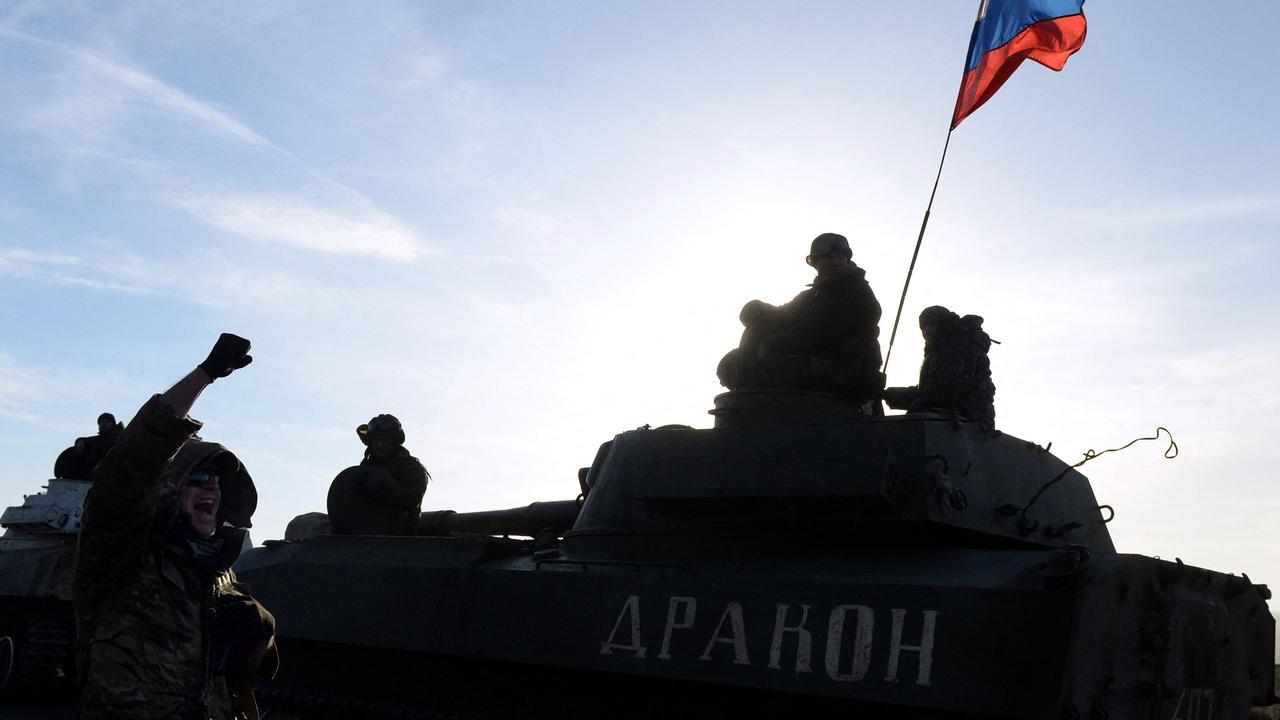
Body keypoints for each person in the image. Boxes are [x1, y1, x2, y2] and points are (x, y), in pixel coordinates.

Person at [74, 333, 278, 719]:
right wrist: (205, 374)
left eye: (218, 477)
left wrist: (259, 637)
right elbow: (131, 465)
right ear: (167, 489)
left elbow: (238, 681)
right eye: (198, 476)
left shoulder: (218, 571)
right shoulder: (121, 555)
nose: (213, 485)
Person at [717, 232, 885, 405]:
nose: (835, 262)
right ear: (815, 263)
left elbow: (817, 330)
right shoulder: (813, 295)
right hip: (819, 364)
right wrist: (758, 309)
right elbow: (783, 315)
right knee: (733, 362)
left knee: (772, 361)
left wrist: (773, 345)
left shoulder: (855, 290)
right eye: (827, 257)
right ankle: (751, 410)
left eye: (840, 256)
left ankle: (763, 410)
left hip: (847, 373)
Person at [882, 305, 996, 430]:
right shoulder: (941, 349)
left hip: (968, 421)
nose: (927, 331)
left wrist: (912, 409)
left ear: (944, 325)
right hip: (959, 418)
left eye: (932, 325)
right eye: (924, 327)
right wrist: (886, 394)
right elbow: (930, 390)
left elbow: (944, 394)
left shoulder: (958, 348)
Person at [327, 414, 430, 535]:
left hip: (399, 537)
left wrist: (385, 487)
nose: (379, 445)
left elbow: (412, 501)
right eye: (376, 440)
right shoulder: (364, 469)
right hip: (361, 535)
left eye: (385, 440)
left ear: (394, 442)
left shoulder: (412, 468)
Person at [52, 413, 125, 481]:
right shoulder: (98, 440)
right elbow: (86, 440)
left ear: (113, 424)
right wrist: (80, 441)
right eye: (101, 422)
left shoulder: (121, 440)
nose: (103, 424)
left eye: (106, 422)